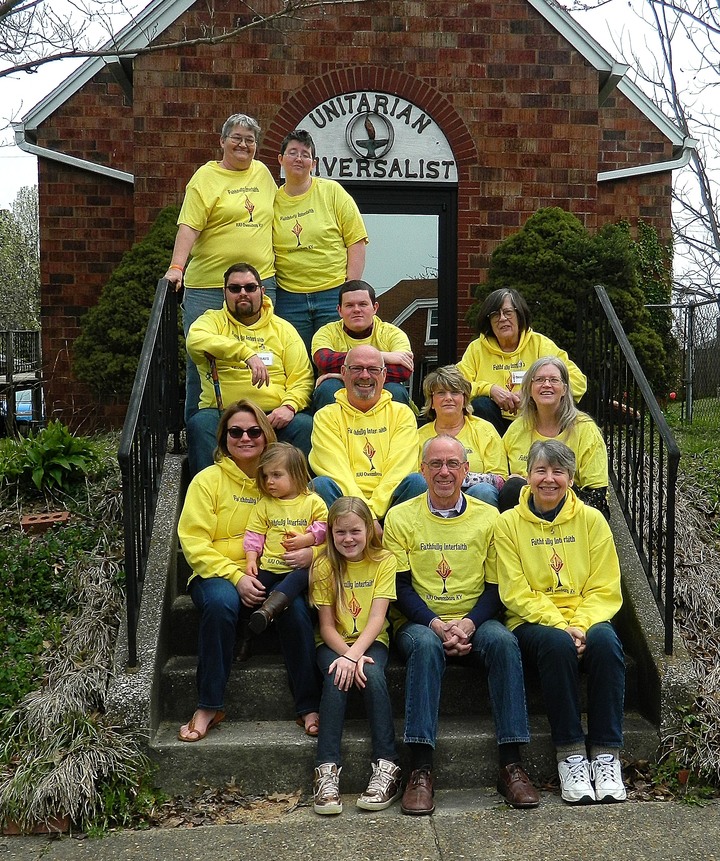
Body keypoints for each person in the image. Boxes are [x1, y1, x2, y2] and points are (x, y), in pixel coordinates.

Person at [383, 434, 539, 815]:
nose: (444, 471)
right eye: (435, 464)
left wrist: (468, 624)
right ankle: (419, 770)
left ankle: (512, 764)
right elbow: (399, 587)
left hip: (476, 618)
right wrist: (436, 624)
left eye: (453, 464)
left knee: (503, 642)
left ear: (467, 471)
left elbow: (496, 585)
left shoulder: (489, 518)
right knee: (424, 646)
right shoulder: (401, 517)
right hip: (419, 621)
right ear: (422, 470)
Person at [176, 400, 321, 743]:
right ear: (224, 436)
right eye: (235, 431)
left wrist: (311, 551)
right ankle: (209, 704)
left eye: (254, 431)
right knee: (221, 604)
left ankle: (309, 704)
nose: (245, 438)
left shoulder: (280, 477)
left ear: (266, 434)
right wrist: (237, 575)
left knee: (296, 610)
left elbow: (318, 524)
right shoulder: (207, 481)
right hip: (217, 572)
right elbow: (193, 542)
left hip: (274, 570)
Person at [495, 439, 626, 804]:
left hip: (586, 617)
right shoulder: (507, 525)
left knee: (607, 643)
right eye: (540, 470)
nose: (548, 479)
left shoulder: (592, 520)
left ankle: (605, 754)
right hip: (532, 621)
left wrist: (581, 624)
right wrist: (559, 624)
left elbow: (605, 586)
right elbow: (514, 590)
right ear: (528, 477)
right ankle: (570, 753)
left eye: (558, 472)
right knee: (555, 645)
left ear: (570, 477)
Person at [162, 114, 277, 423]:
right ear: (223, 141)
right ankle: (199, 427)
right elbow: (189, 225)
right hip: (210, 287)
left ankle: (255, 432)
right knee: (202, 359)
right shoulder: (206, 177)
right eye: (237, 138)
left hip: (258, 282)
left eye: (250, 140)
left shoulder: (264, 174)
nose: (243, 144)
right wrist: (176, 267)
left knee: (261, 353)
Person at [310, 497, 401, 815]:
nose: (348, 539)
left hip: (371, 640)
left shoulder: (383, 560)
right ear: (331, 534)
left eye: (355, 531)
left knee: (373, 674)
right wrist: (348, 656)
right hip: (334, 644)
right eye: (340, 533)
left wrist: (356, 655)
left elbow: (377, 619)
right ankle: (326, 771)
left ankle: (387, 766)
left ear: (369, 530)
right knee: (337, 676)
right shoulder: (323, 565)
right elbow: (326, 626)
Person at [185, 262, 314, 475]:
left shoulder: (284, 330)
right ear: (224, 293)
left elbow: (302, 378)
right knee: (199, 424)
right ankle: (208, 497)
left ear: (262, 291)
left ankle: (296, 498)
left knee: (304, 425)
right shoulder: (211, 321)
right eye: (235, 288)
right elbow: (195, 341)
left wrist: (289, 407)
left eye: (250, 288)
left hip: (272, 416)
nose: (243, 293)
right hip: (223, 413)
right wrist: (246, 354)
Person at [309, 345, 424, 532]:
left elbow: (400, 468)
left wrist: (373, 514)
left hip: (391, 507)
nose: (365, 375)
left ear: (384, 375)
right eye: (357, 368)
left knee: (417, 482)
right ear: (343, 373)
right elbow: (336, 472)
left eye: (373, 369)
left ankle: (394, 542)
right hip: (345, 507)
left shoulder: (402, 414)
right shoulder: (326, 416)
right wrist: (365, 516)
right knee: (321, 485)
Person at [273, 129, 368, 352]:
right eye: (292, 152)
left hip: (332, 294)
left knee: (333, 359)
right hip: (289, 298)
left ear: (313, 163)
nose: (299, 158)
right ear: (281, 159)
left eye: (305, 154)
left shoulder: (332, 192)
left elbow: (356, 240)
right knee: (295, 359)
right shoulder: (272, 200)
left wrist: (349, 290)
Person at [457, 288, 587, 437]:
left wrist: (531, 393)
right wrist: (489, 389)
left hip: (533, 419)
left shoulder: (540, 344)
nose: (502, 318)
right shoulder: (476, 349)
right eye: (495, 314)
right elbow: (456, 385)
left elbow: (578, 382)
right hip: (491, 424)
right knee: (481, 405)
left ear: (519, 315)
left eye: (508, 312)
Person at [499, 356, 609, 515]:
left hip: (574, 513)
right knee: (512, 488)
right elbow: (501, 481)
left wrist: (535, 486)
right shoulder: (517, 429)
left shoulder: (585, 429)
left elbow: (597, 496)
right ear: (529, 388)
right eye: (539, 380)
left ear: (564, 389)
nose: (546, 385)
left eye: (554, 380)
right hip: (524, 516)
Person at [243, 442, 328, 639]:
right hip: (270, 565)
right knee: (252, 593)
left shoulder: (312, 501)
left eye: (276, 475)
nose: (269, 481)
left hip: (299, 568)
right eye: (265, 476)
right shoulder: (265, 504)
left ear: (296, 474)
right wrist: (250, 560)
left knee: (300, 577)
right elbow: (254, 534)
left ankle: (269, 609)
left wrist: (307, 540)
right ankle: (247, 634)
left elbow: (324, 527)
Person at [311, 279, 413, 410]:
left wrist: (341, 374)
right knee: (328, 387)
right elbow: (324, 361)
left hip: (378, 392)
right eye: (349, 305)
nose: (357, 310)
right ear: (339, 310)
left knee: (395, 390)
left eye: (363, 304)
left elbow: (403, 371)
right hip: (342, 396)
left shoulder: (392, 333)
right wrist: (383, 357)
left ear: (375, 308)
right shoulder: (326, 332)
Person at [417, 365, 507, 507]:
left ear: (464, 400)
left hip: (474, 501)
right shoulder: (419, 436)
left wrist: (454, 481)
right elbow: (416, 479)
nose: (448, 398)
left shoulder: (485, 430)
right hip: (432, 500)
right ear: (431, 402)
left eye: (454, 392)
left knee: (485, 490)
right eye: (441, 393)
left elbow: (499, 479)